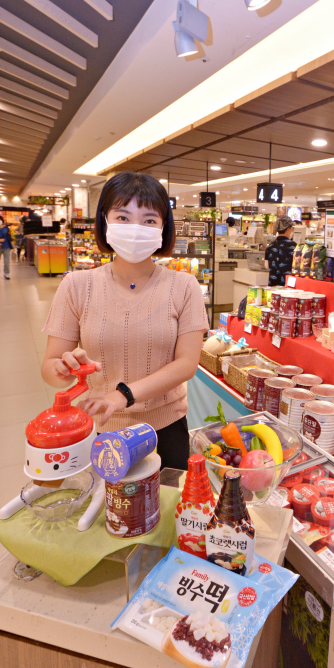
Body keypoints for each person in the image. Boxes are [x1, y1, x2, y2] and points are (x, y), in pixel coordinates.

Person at [41, 172, 209, 470]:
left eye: (148, 220)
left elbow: (187, 364)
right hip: (98, 428)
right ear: (104, 221)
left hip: (165, 429)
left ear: (162, 228)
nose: (135, 229)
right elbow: (50, 368)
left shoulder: (184, 286)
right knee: (106, 513)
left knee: (167, 510)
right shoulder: (77, 285)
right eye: (123, 217)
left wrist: (123, 395)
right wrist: (62, 369)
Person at [264, 215, 296, 286]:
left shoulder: (270, 246)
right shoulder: (294, 246)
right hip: (288, 285)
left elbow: (267, 266)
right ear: (288, 229)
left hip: (273, 284)